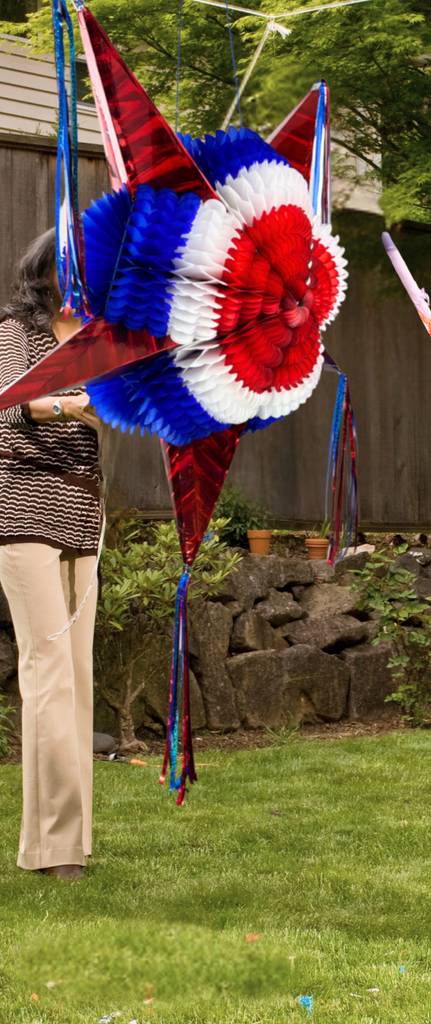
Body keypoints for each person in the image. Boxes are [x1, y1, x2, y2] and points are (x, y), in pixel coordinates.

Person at [0, 229, 103, 880]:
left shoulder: (95, 342)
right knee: (48, 674)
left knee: (79, 678)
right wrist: (78, 404)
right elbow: (12, 405)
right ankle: (56, 848)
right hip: (24, 506)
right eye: (74, 269)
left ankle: (61, 841)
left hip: (83, 511)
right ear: (47, 273)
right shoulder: (17, 331)